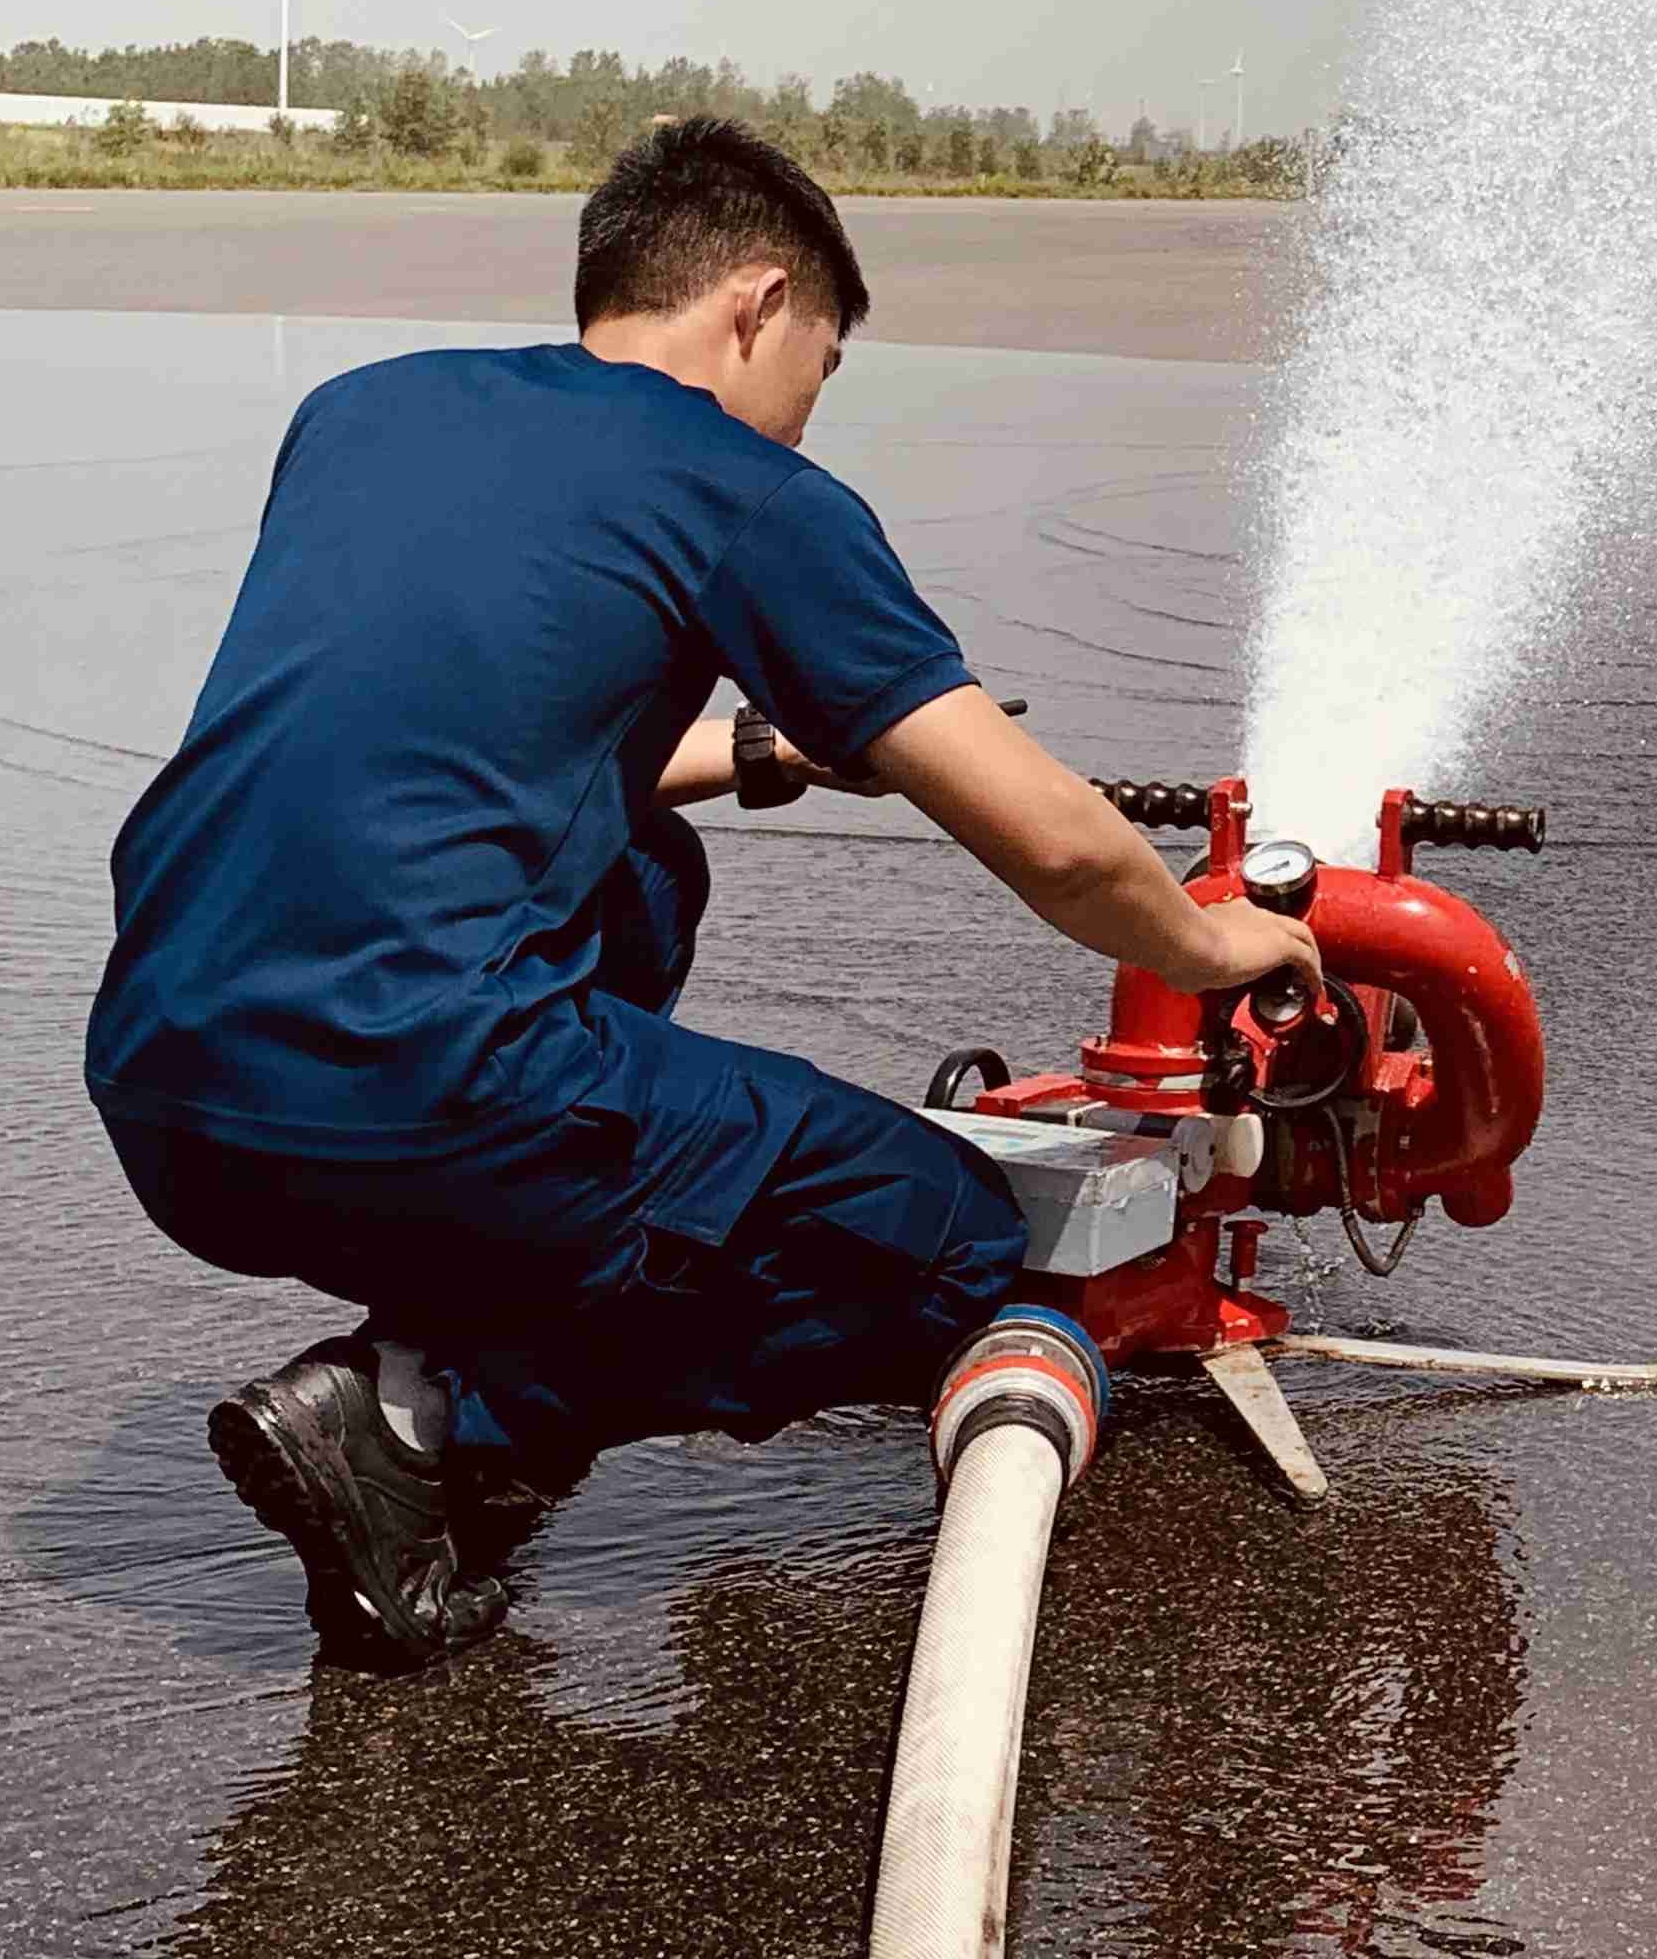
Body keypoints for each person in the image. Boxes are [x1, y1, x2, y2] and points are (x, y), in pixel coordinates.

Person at [84, 116, 1316, 1667]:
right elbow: (1062, 845)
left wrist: (758, 749)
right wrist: (1215, 940)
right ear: (758, 300)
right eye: (822, 363)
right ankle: (433, 1412)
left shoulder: (365, 412)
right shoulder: (744, 488)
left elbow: (455, 739)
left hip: (166, 1097)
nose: (804, 415)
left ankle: (434, 1364)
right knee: (937, 1243)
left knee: (646, 866)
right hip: (414, 1095)